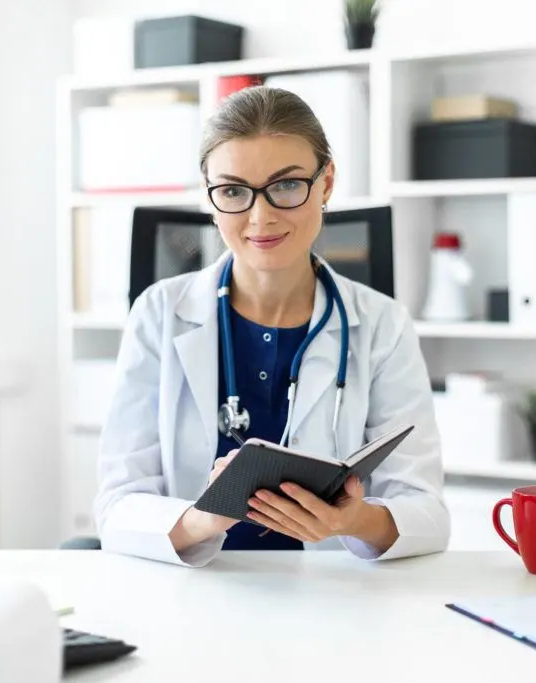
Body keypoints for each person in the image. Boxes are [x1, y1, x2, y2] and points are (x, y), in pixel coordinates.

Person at [93, 85, 449, 567]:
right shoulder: (159, 314)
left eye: (285, 186)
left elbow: (427, 512)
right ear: (210, 198)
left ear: (325, 184)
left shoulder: (382, 325)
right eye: (234, 191)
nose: (260, 217)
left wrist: (352, 519)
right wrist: (205, 517)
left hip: (330, 597)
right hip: (195, 592)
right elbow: (117, 506)